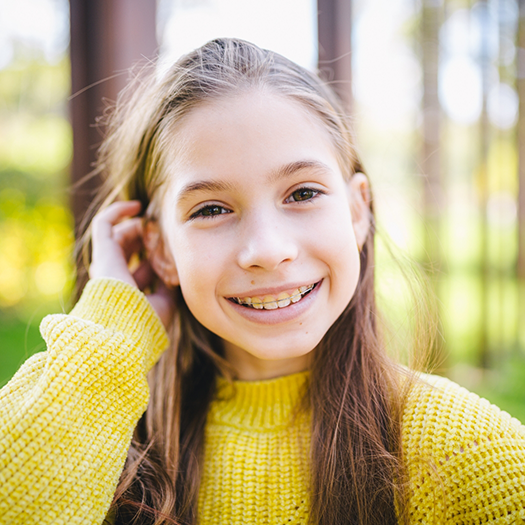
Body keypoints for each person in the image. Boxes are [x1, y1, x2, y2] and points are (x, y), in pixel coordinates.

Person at [1, 38, 524, 525]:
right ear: (159, 249)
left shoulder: (463, 449)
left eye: (302, 193)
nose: (268, 250)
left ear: (358, 210)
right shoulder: (102, 433)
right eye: (211, 208)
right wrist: (110, 333)